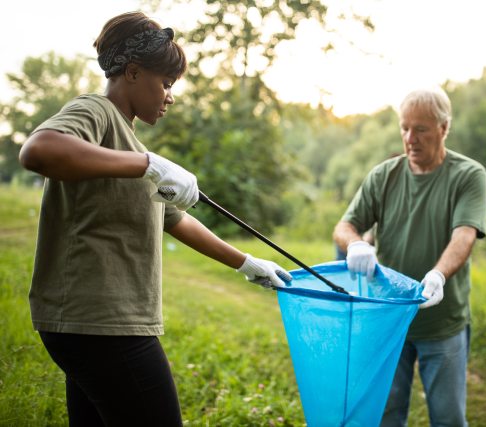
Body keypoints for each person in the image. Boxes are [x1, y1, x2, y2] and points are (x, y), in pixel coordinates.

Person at [18, 11, 291, 427]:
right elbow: (37, 151)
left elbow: (174, 219)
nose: (170, 96)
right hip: (102, 322)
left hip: (92, 324)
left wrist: (247, 263)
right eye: (165, 83)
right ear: (131, 72)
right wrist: (148, 163)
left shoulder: (127, 141)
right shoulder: (96, 111)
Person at [333, 86, 486, 426]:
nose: (410, 138)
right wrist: (356, 244)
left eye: (421, 129)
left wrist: (438, 275)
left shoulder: (469, 175)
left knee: (448, 417)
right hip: (387, 317)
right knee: (385, 413)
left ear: (444, 128)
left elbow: (464, 236)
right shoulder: (384, 175)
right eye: (405, 128)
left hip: (442, 321)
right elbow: (345, 226)